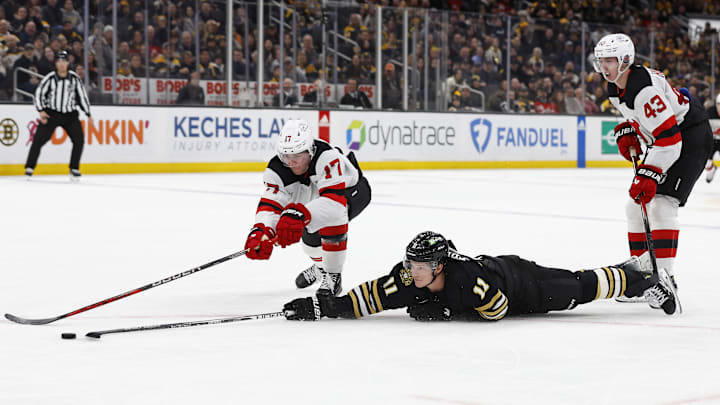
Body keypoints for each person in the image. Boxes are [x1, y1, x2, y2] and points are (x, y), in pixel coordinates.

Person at [283, 231, 679, 321]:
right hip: (503, 272)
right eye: (410, 266)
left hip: (521, 286)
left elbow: (498, 309)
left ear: (439, 266)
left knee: (578, 288)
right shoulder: (409, 279)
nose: (411, 274)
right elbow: (369, 296)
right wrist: (323, 307)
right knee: (577, 282)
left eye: (419, 267)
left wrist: (448, 314)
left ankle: (640, 281)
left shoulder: (466, 281)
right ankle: (630, 272)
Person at [593, 33, 712, 295]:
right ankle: (643, 277)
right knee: (634, 207)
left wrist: (649, 174)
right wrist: (629, 129)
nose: (604, 67)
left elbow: (669, 139)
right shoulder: (616, 86)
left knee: (661, 204)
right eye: (601, 61)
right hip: (671, 138)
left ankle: (665, 281)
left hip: (689, 138)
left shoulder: (642, 89)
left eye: (610, 60)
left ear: (625, 60)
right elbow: (643, 119)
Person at [244, 119, 371, 296]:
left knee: (331, 221)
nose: (291, 162)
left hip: (352, 192)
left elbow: (334, 205)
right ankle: (321, 268)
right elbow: (271, 203)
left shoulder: (327, 157)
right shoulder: (276, 170)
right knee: (309, 241)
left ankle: (333, 275)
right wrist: (262, 231)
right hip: (318, 198)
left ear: (310, 151)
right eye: (286, 156)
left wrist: (299, 214)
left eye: (297, 156)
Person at [25, 50, 91, 180]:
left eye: (64, 61)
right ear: (55, 63)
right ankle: (30, 167)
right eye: (59, 61)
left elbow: (82, 96)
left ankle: (74, 168)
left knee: (79, 140)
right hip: (52, 113)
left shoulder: (74, 78)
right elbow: (38, 94)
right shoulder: (50, 78)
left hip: (70, 115)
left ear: (68, 62)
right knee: (39, 139)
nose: (61, 64)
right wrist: (41, 110)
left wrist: (88, 113)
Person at [703, 93, 720, 183]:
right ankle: (712, 167)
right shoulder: (710, 112)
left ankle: (715, 167)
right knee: (708, 164)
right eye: (719, 104)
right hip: (712, 140)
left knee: (718, 158)